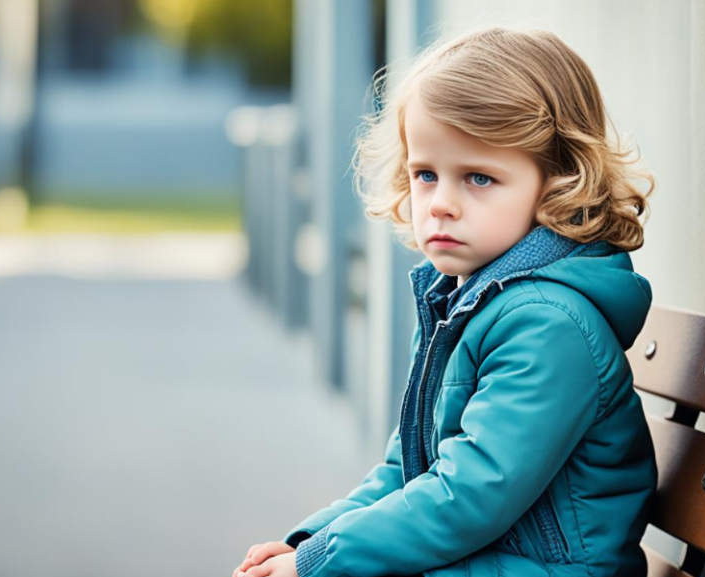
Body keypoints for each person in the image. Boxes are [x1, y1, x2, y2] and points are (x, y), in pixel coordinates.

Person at [233, 24, 657, 577]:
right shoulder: (461, 301)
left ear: (558, 182)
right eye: (426, 175)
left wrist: (322, 563)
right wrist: (311, 543)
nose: (440, 204)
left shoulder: (547, 325)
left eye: (478, 178)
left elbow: (469, 496)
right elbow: (404, 473)